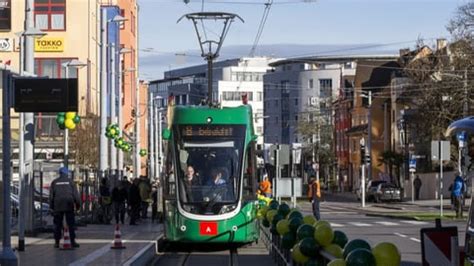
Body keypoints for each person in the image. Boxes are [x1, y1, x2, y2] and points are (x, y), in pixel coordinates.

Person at [49, 167, 81, 248]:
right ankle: (72, 241)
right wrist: (78, 206)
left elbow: (51, 196)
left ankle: (56, 242)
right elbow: (76, 195)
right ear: (67, 173)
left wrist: (51, 207)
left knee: (57, 224)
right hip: (68, 205)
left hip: (58, 205)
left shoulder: (54, 182)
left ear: (60, 173)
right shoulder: (71, 182)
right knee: (71, 224)